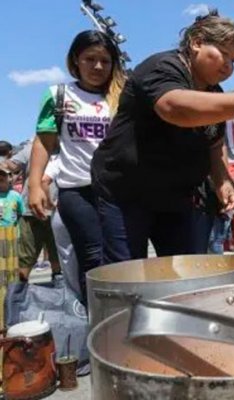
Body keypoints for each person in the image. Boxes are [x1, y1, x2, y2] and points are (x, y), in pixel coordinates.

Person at [91, 9, 234, 263]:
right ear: (196, 43)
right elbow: (175, 108)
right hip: (126, 192)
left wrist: (222, 180)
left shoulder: (216, 93)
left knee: (185, 272)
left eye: (233, 61)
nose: (228, 65)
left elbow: (214, 143)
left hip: (178, 195)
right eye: (223, 54)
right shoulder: (161, 67)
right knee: (126, 276)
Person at [28, 30, 126, 304]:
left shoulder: (123, 95)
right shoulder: (58, 95)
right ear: (75, 60)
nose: (97, 67)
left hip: (119, 193)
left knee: (123, 258)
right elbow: (44, 142)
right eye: (89, 59)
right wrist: (35, 185)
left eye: (105, 61)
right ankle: (97, 324)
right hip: (77, 192)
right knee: (94, 260)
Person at [2, 140, 60, 281]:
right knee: (26, 255)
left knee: (58, 253)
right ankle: (19, 291)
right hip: (31, 211)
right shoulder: (32, 147)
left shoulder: (68, 146)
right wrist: (4, 164)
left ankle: (60, 285)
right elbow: (11, 165)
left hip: (59, 211)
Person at [0, 167, 24, 328]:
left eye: (2, 177)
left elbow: (21, 214)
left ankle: (12, 307)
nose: (0, 181)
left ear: (9, 178)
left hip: (12, 236)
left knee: (12, 275)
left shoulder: (16, 196)